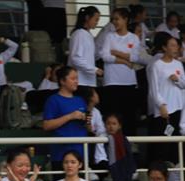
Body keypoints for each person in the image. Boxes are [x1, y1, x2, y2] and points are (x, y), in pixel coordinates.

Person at [100, 7, 142, 136]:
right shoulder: (109, 36)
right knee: (112, 116)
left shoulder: (133, 38)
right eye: (113, 19)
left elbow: (135, 57)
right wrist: (124, 61)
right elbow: (104, 56)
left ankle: (130, 143)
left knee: (129, 116)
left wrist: (116, 52)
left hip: (129, 82)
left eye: (117, 19)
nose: (114, 22)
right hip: (112, 81)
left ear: (125, 19)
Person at [43, 66, 89, 171]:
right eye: (73, 78)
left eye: (77, 78)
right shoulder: (53, 100)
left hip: (80, 152)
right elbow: (46, 125)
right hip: (61, 153)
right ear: (62, 81)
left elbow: (87, 126)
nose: (76, 81)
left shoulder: (80, 100)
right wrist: (70, 116)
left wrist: (88, 121)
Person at [147, 35, 184, 164]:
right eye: (172, 45)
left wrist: (177, 80)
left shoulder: (178, 64)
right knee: (162, 141)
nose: (175, 48)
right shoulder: (157, 65)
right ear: (164, 47)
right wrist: (161, 105)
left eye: (177, 46)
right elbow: (154, 89)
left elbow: (183, 84)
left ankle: (174, 166)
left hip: (177, 107)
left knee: (174, 138)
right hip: (163, 110)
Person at [68, 6, 102, 92]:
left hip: (88, 81)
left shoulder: (88, 34)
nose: (97, 23)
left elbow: (90, 57)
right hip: (80, 81)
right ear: (87, 18)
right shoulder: (79, 34)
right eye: (96, 19)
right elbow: (75, 58)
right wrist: (94, 69)